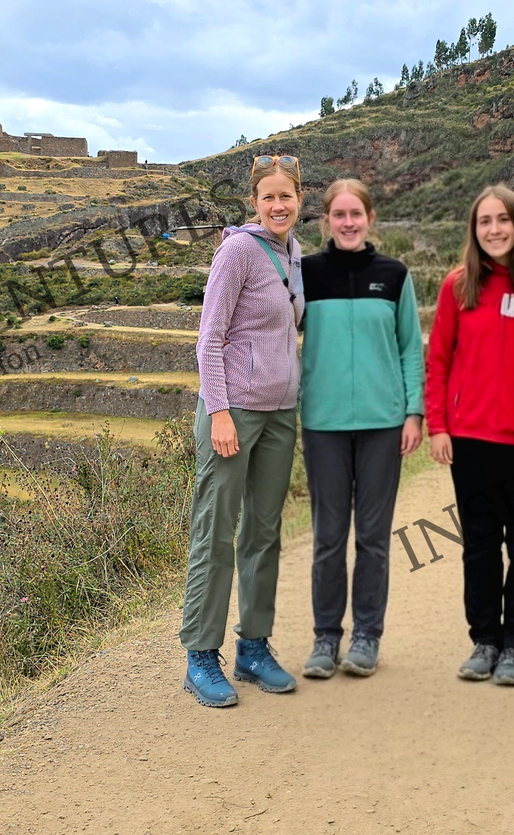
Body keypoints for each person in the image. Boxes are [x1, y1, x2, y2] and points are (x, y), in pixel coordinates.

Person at [179, 154, 306, 708]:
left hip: (280, 412)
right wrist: (221, 412)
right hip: (233, 412)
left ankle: (253, 647)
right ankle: (200, 655)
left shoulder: (294, 253)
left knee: (263, 532)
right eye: (268, 197)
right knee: (216, 531)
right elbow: (209, 338)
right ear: (253, 202)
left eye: (286, 196)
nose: (278, 205)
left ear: (300, 199)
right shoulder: (236, 251)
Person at [296, 179, 424, 679]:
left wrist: (413, 412)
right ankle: (326, 638)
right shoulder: (306, 274)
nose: (348, 222)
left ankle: (367, 636)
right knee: (328, 537)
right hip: (323, 424)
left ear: (370, 218)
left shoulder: (394, 275)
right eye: (339, 214)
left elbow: (409, 348)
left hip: (383, 425)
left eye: (356, 214)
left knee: (372, 538)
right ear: (326, 220)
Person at [425, 186, 514, 687]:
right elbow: (438, 361)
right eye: (484, 221)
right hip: (470, 439)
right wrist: (438, 426)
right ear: (473, 230)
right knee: (478, 545)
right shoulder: (458, 286)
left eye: (503, 220)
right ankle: (485, 641)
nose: (494, 230)